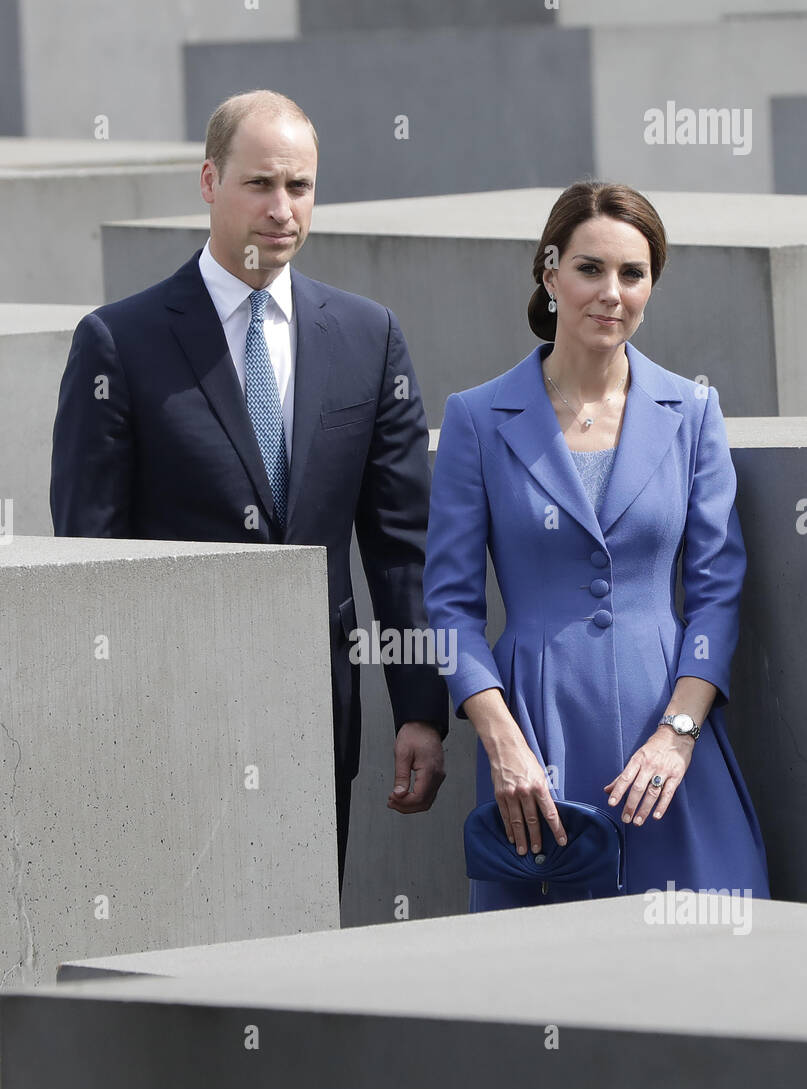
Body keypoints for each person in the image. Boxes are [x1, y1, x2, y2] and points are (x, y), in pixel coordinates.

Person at [51, 89, 447, 893]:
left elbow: (403, 546)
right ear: (208, 181)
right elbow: (88, 554)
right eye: (259, 184)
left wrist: (420, 707)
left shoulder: (369, 338)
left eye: (298, 187)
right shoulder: (118, 342)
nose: (281, 209)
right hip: (169, 718)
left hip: (316, 711)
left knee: (301, 949)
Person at [423, 180, 770, 912]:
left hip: (669, 737)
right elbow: (449, 610)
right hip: (535, 737)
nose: (610, 292)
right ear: (549, 276)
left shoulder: (692, 411)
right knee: (554, 976)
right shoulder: (477, 419)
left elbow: (714, 593)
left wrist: (677, 732)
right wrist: (501, 742)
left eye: (632, 274)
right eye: (589, 269)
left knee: (705, 956)